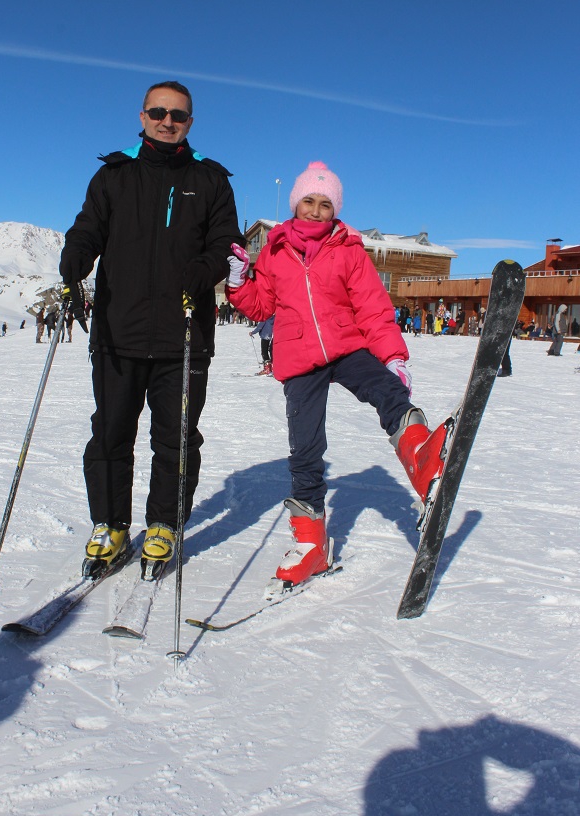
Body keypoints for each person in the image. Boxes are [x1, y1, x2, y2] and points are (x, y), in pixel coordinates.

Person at [226, 161, 449, 590]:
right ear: (295, 204)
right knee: (305, 448)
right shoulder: (273, 251)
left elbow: (373, 308)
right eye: (308, 201)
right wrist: (238, 282)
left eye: (325, 204)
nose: (315, 210)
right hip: (299, 357)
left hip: (347, 345)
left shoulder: (348, 248)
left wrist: (393, 357)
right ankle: (312, 544)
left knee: (387, 389)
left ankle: (421, 457)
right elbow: (259, 306)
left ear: (335, 210)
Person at [60, 80, 243, 574]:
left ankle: (164, 525)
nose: (167, 121)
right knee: (110, 435)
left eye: (178, 115)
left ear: (190, 123)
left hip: (184, 335)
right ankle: (111, 525)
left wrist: (208, 268)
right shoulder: (113, 175)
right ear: (142, 117)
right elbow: (87, 228)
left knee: (177, 438)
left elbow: (229, 242)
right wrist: (75, 255)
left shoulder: (210, 179)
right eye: (158, 112)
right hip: (118, 333)